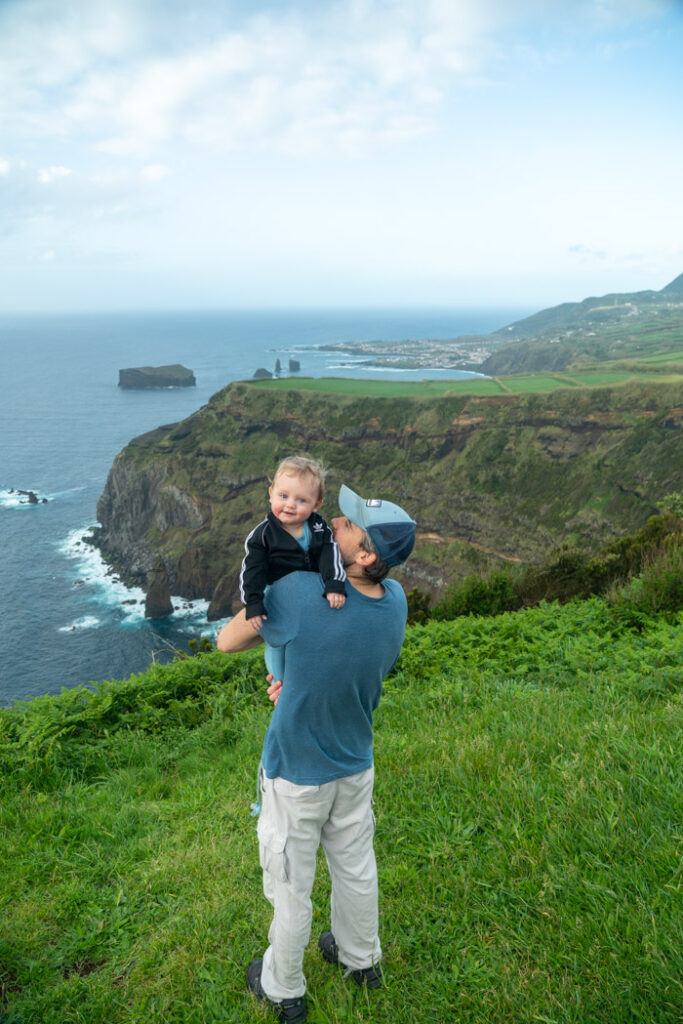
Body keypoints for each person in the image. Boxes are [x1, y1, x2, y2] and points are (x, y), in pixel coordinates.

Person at [217, 483, 416, 1024]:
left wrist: (284, 651)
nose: (333, 523)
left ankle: (283, 987)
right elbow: (344, 659)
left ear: (365, 555)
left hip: (297, 772)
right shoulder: (395, 604)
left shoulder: (303, 594)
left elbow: (228, 641)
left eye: (349, 526)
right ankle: (361, 959)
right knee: (355, 866)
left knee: (289, 883)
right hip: (354, 761)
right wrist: (298, 675)